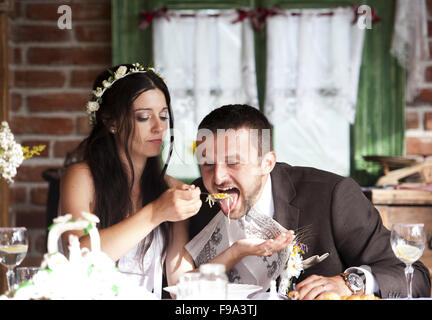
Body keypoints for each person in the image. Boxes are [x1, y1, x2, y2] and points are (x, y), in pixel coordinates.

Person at [186, 104, 431, 299]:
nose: (217, 177)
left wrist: (350, 283)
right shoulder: (195, 202)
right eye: (207, 163)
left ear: (267, 163)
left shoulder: (333, 196)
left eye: (232, 162)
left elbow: (416, 276)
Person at [58, 63, 202, 298]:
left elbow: (180, 283)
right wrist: (156, 212)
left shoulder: (171, 190)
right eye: (144, 117)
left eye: (164, 116)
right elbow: (78, 256)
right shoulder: (82, 177)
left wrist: (235, 252)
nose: (159, 127)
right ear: (111, 122)